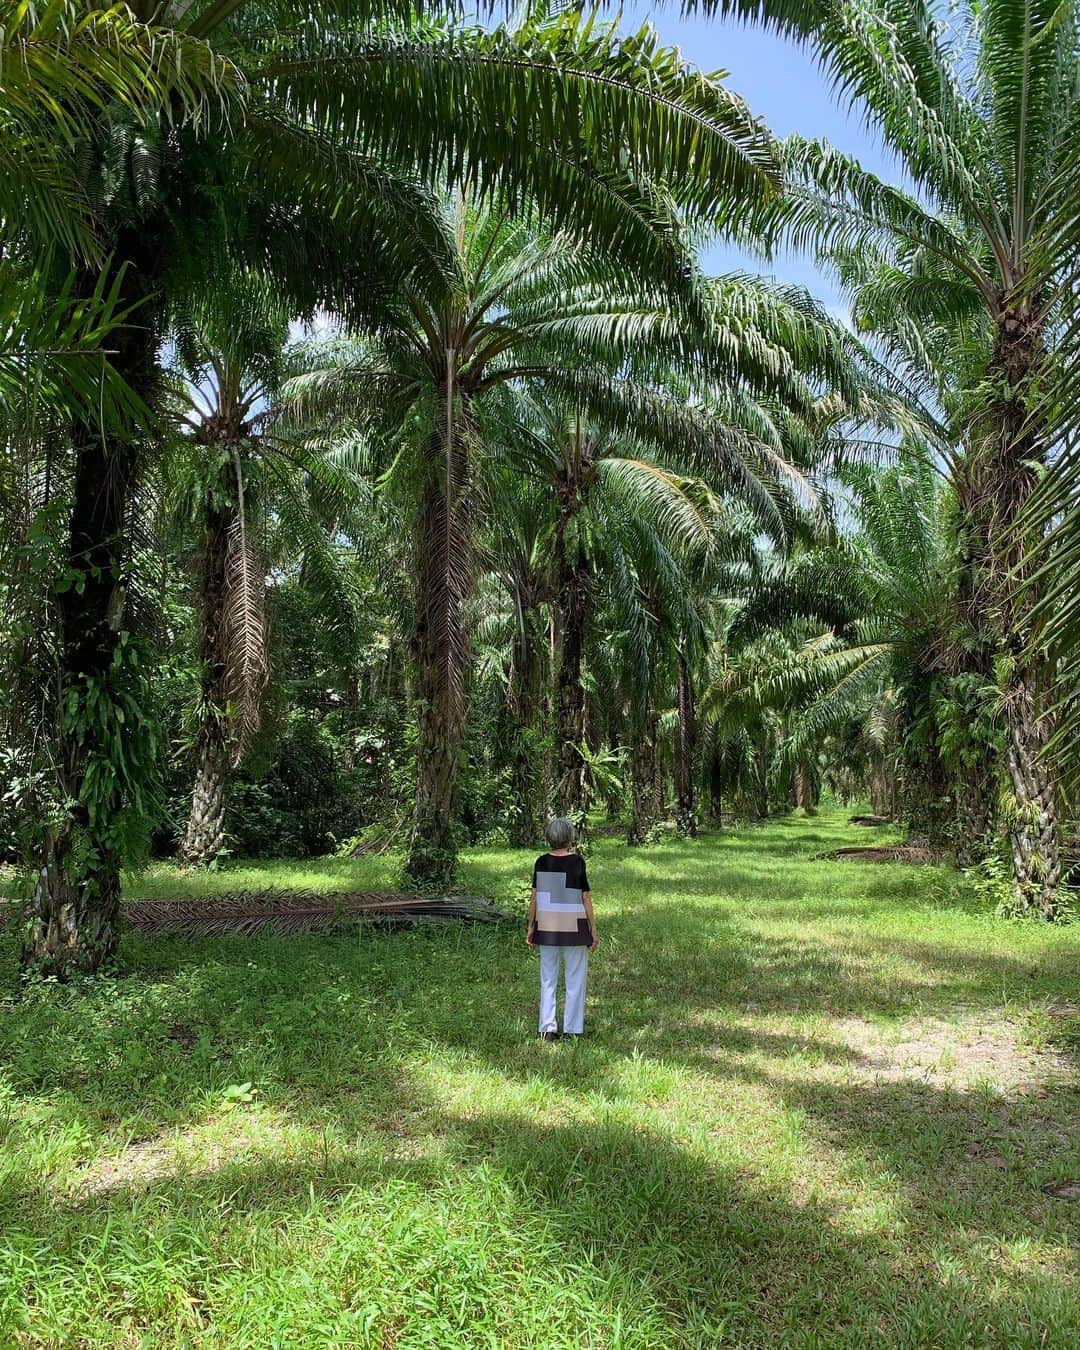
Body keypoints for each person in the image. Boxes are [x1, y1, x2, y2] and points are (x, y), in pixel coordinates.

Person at [526, 818, 598, 1041]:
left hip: (546, 928)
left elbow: (535, 897)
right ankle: (572, 1030)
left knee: (548, 978)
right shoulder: (577, 862)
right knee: (575, 978)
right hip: (575, 929)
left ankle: (547, 1028)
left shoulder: (541, 862)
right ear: (570, 837)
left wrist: (531, 927)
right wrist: (593, 930)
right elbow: (585, 897)